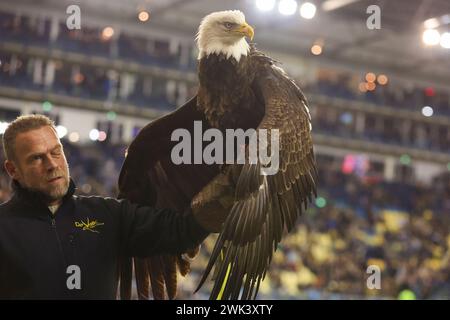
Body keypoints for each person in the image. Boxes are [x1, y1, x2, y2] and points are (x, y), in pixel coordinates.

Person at [0, 114, 222, 299]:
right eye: (37, 158)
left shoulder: (107, 214)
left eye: (56, 152)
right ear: (12, 170)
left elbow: (179, 231)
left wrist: (224, 192)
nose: (52, 165)